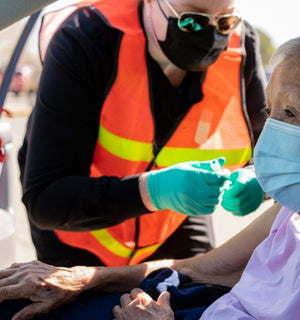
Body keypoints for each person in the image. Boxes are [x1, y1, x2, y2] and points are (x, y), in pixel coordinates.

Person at [0, 30, 300, 320]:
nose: (269, 138)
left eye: (290, 114)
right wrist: (86, 276)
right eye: (270, 112)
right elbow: (205, 267)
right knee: (13, 307)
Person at [18, 0, 267, 268]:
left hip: (174, 216)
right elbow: (46, 200)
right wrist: (155, 191)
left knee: (198, 299)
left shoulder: (242, 49)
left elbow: (269, 150)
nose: (211, 35)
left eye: (225, 21)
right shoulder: (87, 38)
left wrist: (258, 178)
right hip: (78, 230)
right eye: (191, 19)